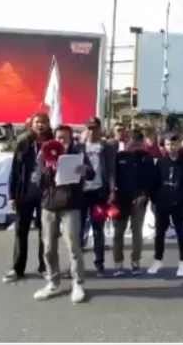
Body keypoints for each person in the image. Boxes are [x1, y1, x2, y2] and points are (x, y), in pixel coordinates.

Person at [33, 124, 95, 303]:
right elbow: (38, 179)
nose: (62, 141)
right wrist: (48, 170)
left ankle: (78, 283)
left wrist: (85, 171)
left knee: (74, 245)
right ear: (54, 137)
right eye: (59, 137)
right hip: (49, 205)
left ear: (71, 138)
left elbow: (91, 173)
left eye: (65, 138)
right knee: (49, 247)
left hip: (72, 205)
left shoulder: (78, 152)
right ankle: (52, 282)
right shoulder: (44, 153)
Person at [3, 113, 52, 283]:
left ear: (48, 124)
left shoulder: (53, 143)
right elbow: (14, 171)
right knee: (20, 232)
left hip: (46, 195)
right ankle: (17, 269)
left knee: (45, 233)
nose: (40, 125)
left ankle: (45, 267)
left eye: (44, 122)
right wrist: (12, 196)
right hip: (25, 194)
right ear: (32, 125)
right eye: (37, 122)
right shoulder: (24, 143)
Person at [148, 133, 183, 277]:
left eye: (173, 144)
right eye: (168, 144)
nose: (171, 147)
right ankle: (158, 259)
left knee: (181, 233)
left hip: (179, 202)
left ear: (179, 144)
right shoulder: (161, 162)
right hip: (162, 202)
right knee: (159, 233)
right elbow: (155, 183)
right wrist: (153, 201)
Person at [112, 129, 156, 275]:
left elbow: (151, 179)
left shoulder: (147, 158)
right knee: (118, 232)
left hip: (140, 200)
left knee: (137, 232)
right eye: (132, 144)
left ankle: (135, 261)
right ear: (127, 142)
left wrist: (145, 195)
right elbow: (113, 178)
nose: (135, 148)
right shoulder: (119, 157)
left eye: (138, 145)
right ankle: (118, 262)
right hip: (121, 199)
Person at [80, 116, 116, 276]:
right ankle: (77, 265)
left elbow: (111, 170)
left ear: (100, 129)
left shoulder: (107, 147)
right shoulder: (78, 147)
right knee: (78, 229)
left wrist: (112, 190)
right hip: (81, 193)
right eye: (89, 128)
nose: (92, 131)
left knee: (98, 230)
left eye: (95, 128)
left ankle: (99, 264)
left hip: (99, 193)